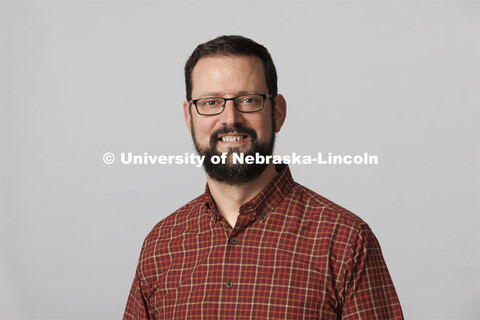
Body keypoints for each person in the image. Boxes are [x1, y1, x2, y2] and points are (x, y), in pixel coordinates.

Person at [123, 35, 403, 319]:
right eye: (210, 102)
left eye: (248, 100)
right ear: (189, 117)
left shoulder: (345, 241)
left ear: (277, 111)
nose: (230, 118)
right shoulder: (161, 244)